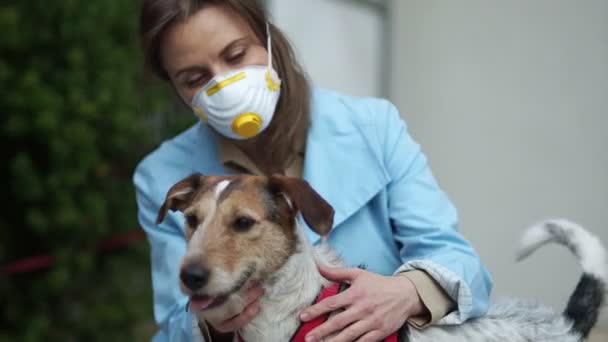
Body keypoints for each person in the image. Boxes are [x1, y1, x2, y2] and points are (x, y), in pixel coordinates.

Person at [133, 0, 493, 341]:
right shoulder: (161, 175)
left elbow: (462, 265)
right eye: (195, 78)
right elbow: (173, 324)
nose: (225, 85)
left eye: (236, 55)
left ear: (270, 39)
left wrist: (407, 291)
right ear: (176, 90)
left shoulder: (374, 126)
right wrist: (212, 325)